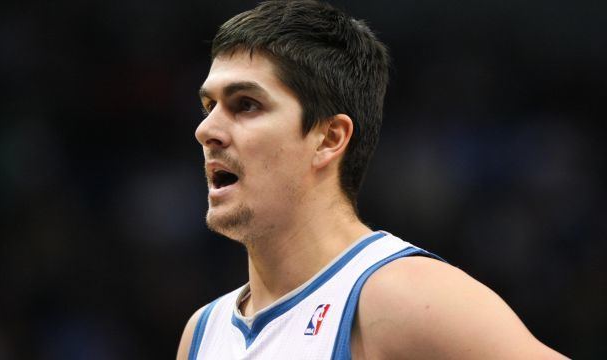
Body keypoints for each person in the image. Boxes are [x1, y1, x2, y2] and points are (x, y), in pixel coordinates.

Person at [177, 1, 566, 359]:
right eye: (209, 106)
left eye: (246, 104)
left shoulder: (403, 296)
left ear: (329, 139)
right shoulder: (202, 332)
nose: (206, 129)